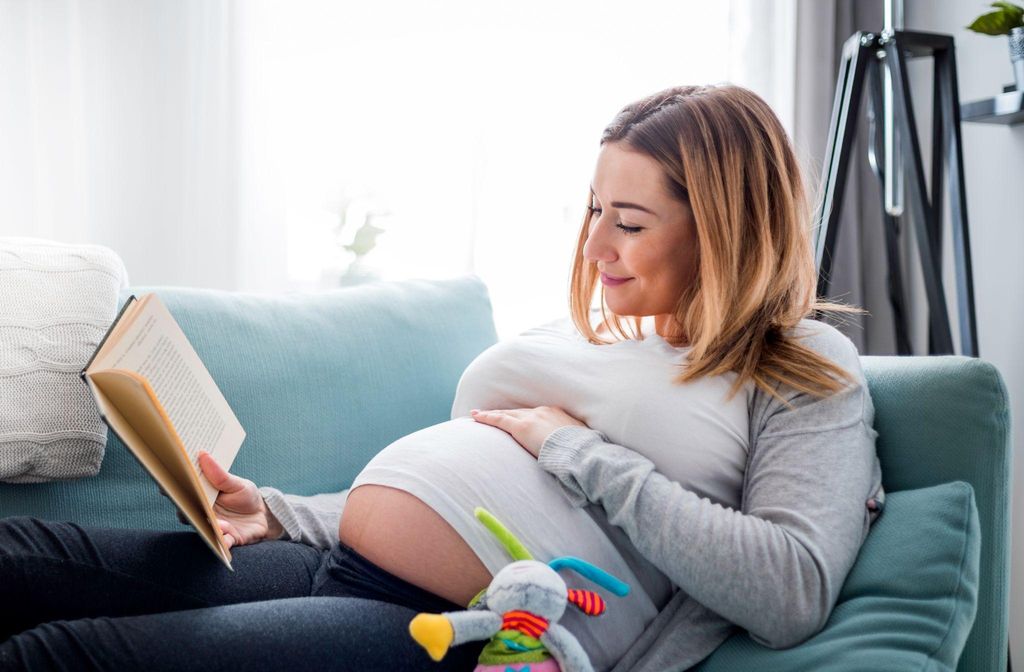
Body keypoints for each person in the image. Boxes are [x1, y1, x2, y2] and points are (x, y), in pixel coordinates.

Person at [0, 84, 884, 672]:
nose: (595, 245)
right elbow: (464, 488)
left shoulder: (800, 368)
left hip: (454, 627)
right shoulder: (592, 339)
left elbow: (790, 588)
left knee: (69, 656)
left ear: (723, 230)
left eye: (630, 221)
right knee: (21, 561)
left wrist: (574, 448)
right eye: (590, 212)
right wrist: (279, 512)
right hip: (332, 563)